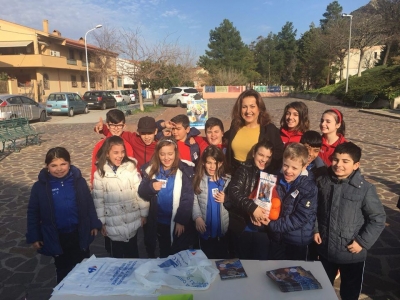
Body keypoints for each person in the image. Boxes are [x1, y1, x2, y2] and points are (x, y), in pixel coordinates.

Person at [314, 142, 386, 300]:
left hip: (351, 254)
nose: (338, 164)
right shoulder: (323, 182)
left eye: (345, 161)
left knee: (349, 293)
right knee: (321, 290)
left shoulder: (365, 189)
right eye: (335, 159)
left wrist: (362, 242)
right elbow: (315, 208)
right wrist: (316, 228)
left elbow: (378, 218)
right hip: (325, 250)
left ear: (356, 165)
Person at [26, 147, 102, 283]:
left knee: (84, 266)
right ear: (47, 166)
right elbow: (33, 212)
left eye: (63, 164)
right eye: (54, 165)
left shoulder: (79, 182)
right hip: (57, 236)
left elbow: (89, 203)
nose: (59, 169)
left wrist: (94, 223)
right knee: (63, 268)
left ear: (69, 163)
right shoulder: (40, 187)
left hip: (79, 233)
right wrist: (34, 235)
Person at [92, 136, 149, 258]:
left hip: (131, 217)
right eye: (116, 152)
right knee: (116, 257)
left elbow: (138, 190)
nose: (120, 155)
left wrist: (144, 213)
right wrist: (101, 222)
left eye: (122, 152)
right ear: (107, 153)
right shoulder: (100, 173)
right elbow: (98, 200)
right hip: (113, 221)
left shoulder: (130, 168)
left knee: (133, 254)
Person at [138, 137, 195, 258]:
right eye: (162, 154)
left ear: (175, 153)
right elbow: (141, 191)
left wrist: (181, 220)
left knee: (178, 251)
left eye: (170, 154)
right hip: (158, 221)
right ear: (158, 154)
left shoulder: (184, 172)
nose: (166, 158)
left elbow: (187, 198)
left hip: (176, 222)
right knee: (163, 250)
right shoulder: (151, 170)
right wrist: (151, 187)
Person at [266, 143, 318, 261]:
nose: (288, 171)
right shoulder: (276, 178)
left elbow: (300, 217)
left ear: (304, 167)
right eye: (285, 165)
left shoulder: (309, 187)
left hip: (296, 241)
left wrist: (272, 225)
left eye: (294, 168)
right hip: (277, 238)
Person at [227, 140, 275, 260]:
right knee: (243, 264)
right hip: (243, 227)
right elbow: (233, 192)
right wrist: (252, 208)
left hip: (263, 229)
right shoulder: (244, 170)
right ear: (254, 153)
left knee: (261, 263)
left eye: (268, 157)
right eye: (261, 155)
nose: (264, 159)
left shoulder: (272, 173)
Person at [224, 89, 284, 175]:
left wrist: (266, 170)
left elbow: (279, 153)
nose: (248, 111)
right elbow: (225, 139)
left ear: (259, 108)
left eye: (252, 106)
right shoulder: (235, 126)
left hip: (257, 178)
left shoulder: (269, 129)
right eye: (244, 107)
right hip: (234, 175)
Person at [192, 145, 231, 259]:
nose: (212, 166)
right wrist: (197, 217)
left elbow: (234, 201)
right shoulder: (198, 180)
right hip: (205, 230)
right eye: (209, 162)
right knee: (206, 260)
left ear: (221, 163)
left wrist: (227, 198)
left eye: (215, 163)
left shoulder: (227, 181)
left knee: (221, 260)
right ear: (203, 163)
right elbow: (194, 201)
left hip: (221, 231)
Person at [91, 109, 134, 186]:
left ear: (124, 126)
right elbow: (94, 169)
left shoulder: (127, 145)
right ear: (107, 125)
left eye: (119, 125)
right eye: (113, 125)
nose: (116, 128)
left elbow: (131, 169)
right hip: (104, 186)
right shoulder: (100, 145)